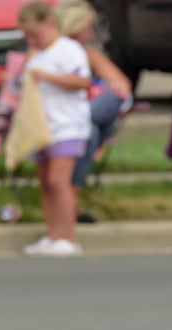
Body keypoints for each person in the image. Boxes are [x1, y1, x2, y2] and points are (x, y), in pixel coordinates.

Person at [16, 0, 92, 257]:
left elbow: (82, 81)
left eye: (35, 34)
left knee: (59, 181)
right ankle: (53, 234)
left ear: (49, 23)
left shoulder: (69, 49)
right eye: (27, 35)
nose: (32, 39)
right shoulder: (36, 55)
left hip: (67, 125)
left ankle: (69, 237)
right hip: (42, 128)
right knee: (46, 184)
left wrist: (49, 77)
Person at [54, 1, 134, 211]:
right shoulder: (52, 54)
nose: (92, 32)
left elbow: (122, 86)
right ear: (75, 27)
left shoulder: (88, 53)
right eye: (88, 26)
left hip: (84, 113)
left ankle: (71, 196)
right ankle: (72, 196)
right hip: (60, 118)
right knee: (88, 130)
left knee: (109, 102)